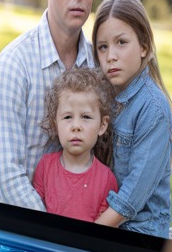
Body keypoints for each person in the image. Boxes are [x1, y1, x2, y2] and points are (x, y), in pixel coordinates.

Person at [0, 0, 98, 209]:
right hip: (21, 224)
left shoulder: (99, 66)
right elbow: (9, 178)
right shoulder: (14, 64)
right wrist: (55, 230)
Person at [91, 0, 172, 237]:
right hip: (107, 219)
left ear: (144, 46)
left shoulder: (153, 109)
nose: (111, 56)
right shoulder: (103, 98)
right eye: (103, 47)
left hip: (139, 232)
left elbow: (130, 200)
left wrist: (86, 234)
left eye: (121, 42)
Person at [32, 67, 119, 222]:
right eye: (67, 117)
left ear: (102, 125)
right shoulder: (45, 168)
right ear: (55, 124)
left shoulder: (106, 180)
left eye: (85, 117)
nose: (76, 126)